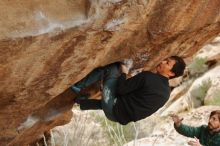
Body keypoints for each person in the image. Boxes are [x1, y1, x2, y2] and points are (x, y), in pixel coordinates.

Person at [71, 56, 186, 125]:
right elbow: (133, 103)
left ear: (171, 73)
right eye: (165, 60)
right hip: (119, 118)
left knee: (113, 69)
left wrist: (124, 73)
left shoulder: (148, 77)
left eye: (167, 63)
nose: (162, 62)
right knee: (123, 103)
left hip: (113, 108)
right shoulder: (166, 93)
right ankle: (81, 102)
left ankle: (78, 86)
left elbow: (121, 90)